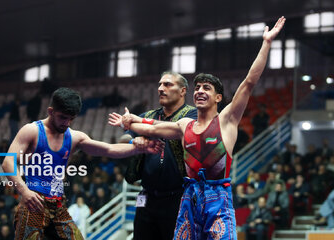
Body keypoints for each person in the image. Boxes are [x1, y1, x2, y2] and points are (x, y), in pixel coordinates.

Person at [109, 16, 286, 239]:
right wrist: (131, 120)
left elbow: (249, 82)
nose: (200, 91)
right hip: (189, 197)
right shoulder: (185, 125)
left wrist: (267, 43)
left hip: (217, 199)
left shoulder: (227, 120)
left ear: (218, 97)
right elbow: (153, 127)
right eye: (198, 87)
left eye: (207, 88)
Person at [2, 87, 162, 240]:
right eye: (63, 117)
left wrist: (140, 148)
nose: (67, 123)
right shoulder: (32, 131)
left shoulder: (74, 137)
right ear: (51, 111)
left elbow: (109, 149)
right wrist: (24, 191)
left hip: (58, 205)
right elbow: (8, 162)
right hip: (33, 203)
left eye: (71, 118)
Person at [119, 71, 197, 240]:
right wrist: (135, 141)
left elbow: (174, 127)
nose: (161, 89)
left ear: (183, 91)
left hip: (179, 198)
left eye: (168, 85)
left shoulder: (193, 115)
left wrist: (142, 126)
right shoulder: (147, 116)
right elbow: (124, 138)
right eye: (160, 84)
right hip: (147, 198)